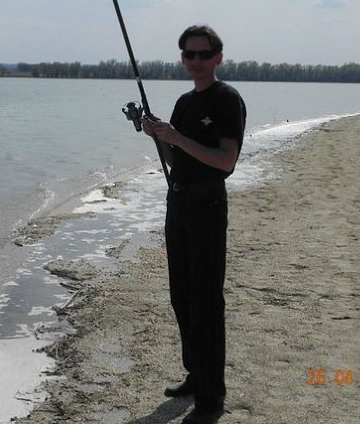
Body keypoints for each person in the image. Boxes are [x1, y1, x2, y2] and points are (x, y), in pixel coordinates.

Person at [141, 25, 246, 424]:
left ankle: (211, 396)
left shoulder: (227, 100)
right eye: (189, 54)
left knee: (206, 301)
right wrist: (158, 136)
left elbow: (225, 161)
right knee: (181, 296)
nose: (196, 61)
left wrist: (178, 138)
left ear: (218, 57)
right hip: (178, 202)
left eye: (203, 54)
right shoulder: (185, 102)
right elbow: (176, 159)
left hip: (207, 205)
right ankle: (195, 375)